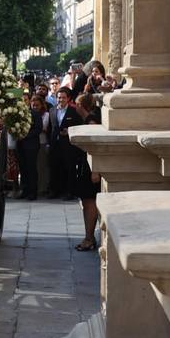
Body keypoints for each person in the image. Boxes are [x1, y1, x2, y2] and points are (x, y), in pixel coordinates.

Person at [70, 94, 101, 252]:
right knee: (86, 202)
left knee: (90, 202)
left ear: (81, 105)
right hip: (85, 164)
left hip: (91, 167)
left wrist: (95, 170)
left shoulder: (92, 120)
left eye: (76, 104)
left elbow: (96, 146)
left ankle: (89, 238)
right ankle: (88, 236)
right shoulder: (88, 119)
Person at [47, 88, 78, 199]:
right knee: (55, 167)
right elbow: (51, 128)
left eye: (63, 97)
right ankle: (54, 191)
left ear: (68, 99)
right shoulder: (52, 111)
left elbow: (78, 127)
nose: (61, 100)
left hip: (68, 145)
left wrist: (69, 131)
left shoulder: (74, 111)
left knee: (69, 168)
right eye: (59, 97)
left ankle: (70, 192)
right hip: (55, 144)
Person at [16, 95, 46, 201]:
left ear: (29, 101)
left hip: (31, 145)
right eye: (21, 100)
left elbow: (38, 129)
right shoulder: (16, 114)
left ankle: (33, 192)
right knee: (23, 168)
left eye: (25, 100)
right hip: (20, 145)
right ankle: (24, 190)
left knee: (31, 168)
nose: (23, 102)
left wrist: (25, 135)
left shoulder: (34, 114)